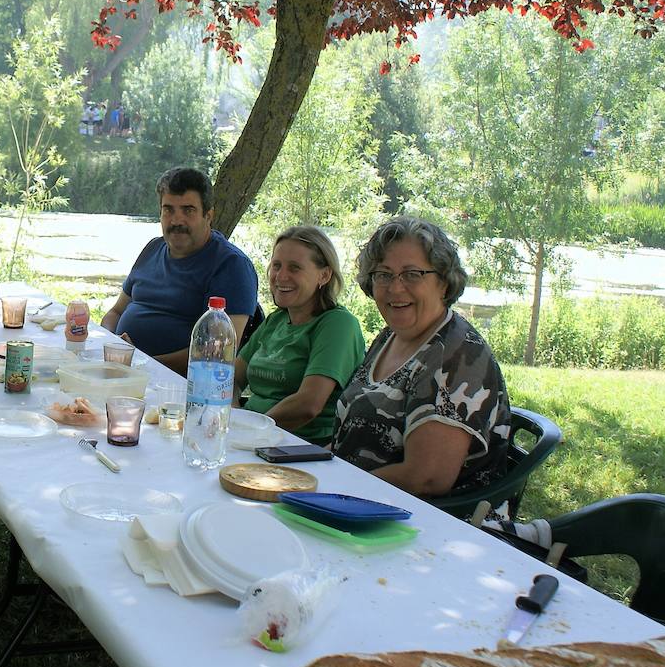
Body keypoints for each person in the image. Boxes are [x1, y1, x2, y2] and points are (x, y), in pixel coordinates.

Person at [333, 216, 511, 496]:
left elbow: (426, 478)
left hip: (424, 525)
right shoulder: (390, 337)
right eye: (384, 274)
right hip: (353, 500)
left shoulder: (456, 354)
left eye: (412, 274)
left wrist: (332, 486)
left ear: (444, 281)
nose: (395, 287)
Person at [100, 168, 258, 375]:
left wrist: (142, 363)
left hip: (177, 386)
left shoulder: (231, 266)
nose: (176, 221)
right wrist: (110, 341)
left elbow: (217, 351)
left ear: (208, 215)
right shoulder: (152, 249)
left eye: (188, 210)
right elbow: (116, 312)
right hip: (123, 371)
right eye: (168, 210)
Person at [233, 226, 365, 444]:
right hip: (251, 434)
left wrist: (251, 432)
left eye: (295, 268)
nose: (281, 276)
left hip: (298, 446)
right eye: (276, 266)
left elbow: (308, 405)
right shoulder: (276, 320)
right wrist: (231, 413)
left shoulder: (338, 324)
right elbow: (231, 378)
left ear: (324, 275)